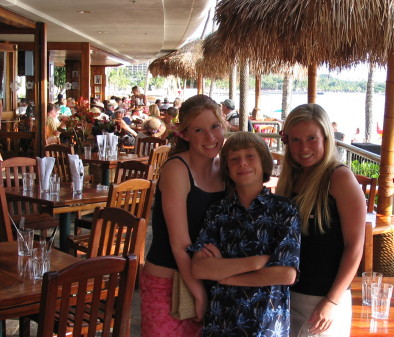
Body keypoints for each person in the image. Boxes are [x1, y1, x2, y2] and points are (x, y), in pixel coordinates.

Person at [190, 132, 301, 337]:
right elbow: (199, 268)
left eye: (250, 156)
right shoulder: (218, 211)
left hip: (267, 324)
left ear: (264, 162)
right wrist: (259, 262)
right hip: (222, 322)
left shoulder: (284, 210)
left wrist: (226, 276)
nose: (242, 163)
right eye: (234, 158)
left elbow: (286, 274)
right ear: (226, 168)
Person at [276, 104, 366, 337]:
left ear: (326, 138)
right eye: (295, 140)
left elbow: (355, 247)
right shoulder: (291, 178)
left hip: (322, 302)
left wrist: (332, 301)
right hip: (287, 297)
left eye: (311, 138)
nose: (303, 147)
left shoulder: (339, 177)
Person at [140, 94, 226, 337]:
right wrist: (199, 294)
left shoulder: (225, 168)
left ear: (223, 125)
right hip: (167, 284)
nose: (210, 138)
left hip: (209, 279)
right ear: (184, 134)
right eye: (199, 130)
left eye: (215, 127)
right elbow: (180, 244)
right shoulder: (177, 169)